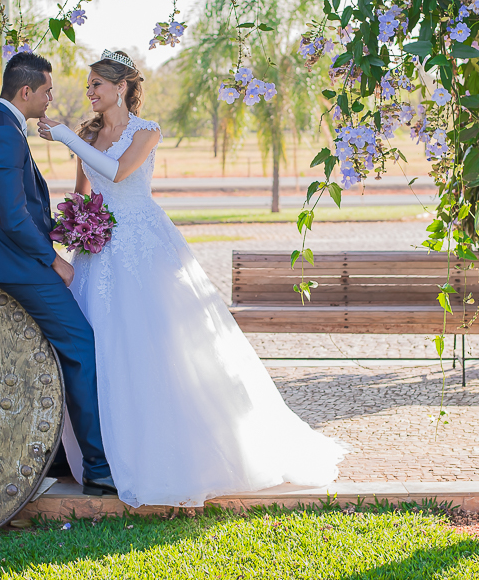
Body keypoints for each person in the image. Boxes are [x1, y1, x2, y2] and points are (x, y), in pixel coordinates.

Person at [38, 49, 345, 508]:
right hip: (99, 254)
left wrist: (63, 137)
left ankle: (168, 455)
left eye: (96, 84)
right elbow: (85, 193)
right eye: (89, 86)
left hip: (145, 247)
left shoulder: (147, 132)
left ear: (120, 86)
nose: (90, 92)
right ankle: (104, 455)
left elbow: (120, 173)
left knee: (158, 347)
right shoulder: (91, 135)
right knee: (101, 346)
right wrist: (75, 225)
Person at [0, 51, 115, 495]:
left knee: (65, 347)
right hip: (11, 263)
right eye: (46, 92)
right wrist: (53, 258)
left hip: (7, 256)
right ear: (25, 91)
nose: (51, 99)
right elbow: (11, 216)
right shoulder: (4, 134)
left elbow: (16, 207)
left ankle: (62, 455)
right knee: (81, 343)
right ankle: (98, 467)